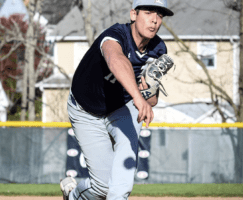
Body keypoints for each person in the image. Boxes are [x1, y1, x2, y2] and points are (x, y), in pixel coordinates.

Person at [62, 0, 174, 199]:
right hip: (86, 110)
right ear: (133, 15)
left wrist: (150, 90)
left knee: (121, 181)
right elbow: (116, 60)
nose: (155, 20)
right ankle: (72, 195)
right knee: (102, 188)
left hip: (121, 108)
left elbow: (152, 101)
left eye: (160, 15)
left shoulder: (158, 49)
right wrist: (139, 98)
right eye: (148, 12)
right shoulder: (114, 35)